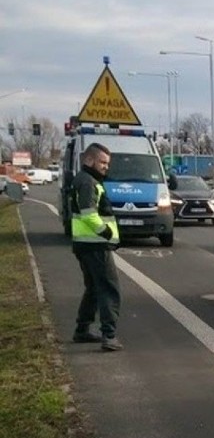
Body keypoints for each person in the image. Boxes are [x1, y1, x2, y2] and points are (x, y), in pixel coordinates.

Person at [70, 142, 122, 352]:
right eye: (102, 162)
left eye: (107, 163)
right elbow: (88, 213)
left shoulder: (84, 180)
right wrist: (107, 233)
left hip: (85, 245)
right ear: (89, 160)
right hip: (95, 245)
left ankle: (82, 330)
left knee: (92, 289)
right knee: (109, 289)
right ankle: (108, 336)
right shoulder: (88, 182)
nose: (105, 167)